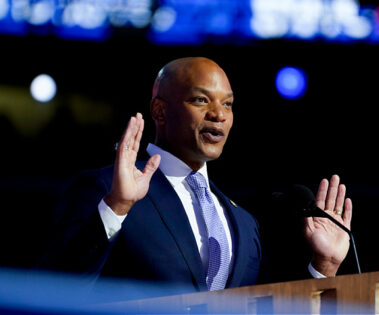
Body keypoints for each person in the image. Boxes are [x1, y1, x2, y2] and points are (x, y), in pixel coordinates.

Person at [39, 57, 352, 295]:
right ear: (159, 111)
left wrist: (324, 267)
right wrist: (116, 207)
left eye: (227, 103)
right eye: (202, 100)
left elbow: (267, 308)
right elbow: (53, 290)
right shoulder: (106, 189)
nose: (219, 114)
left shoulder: (242, 222)